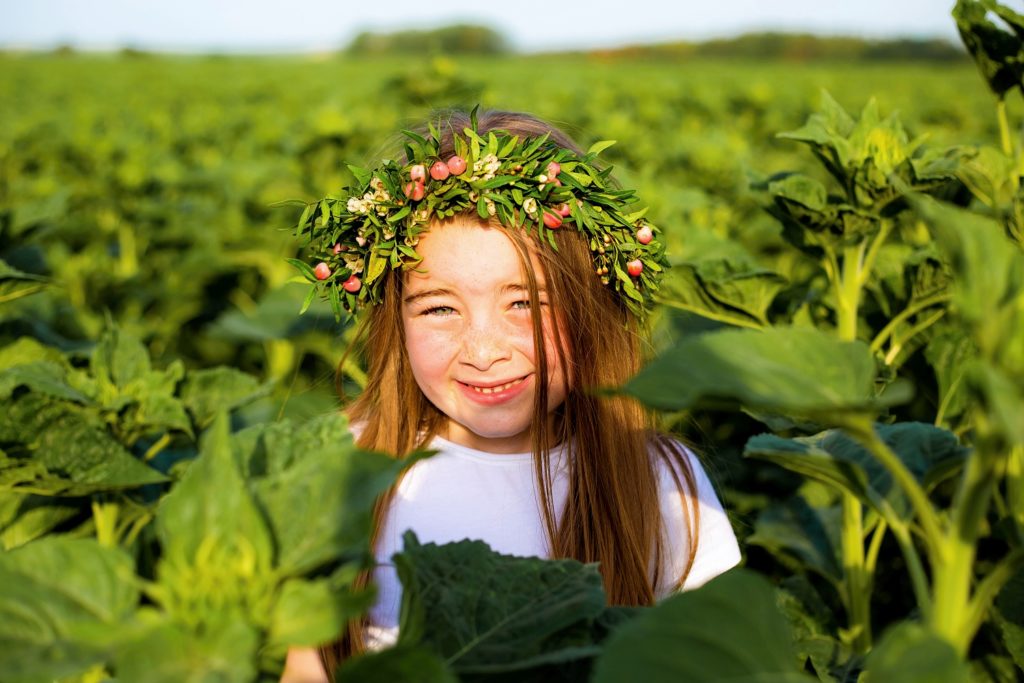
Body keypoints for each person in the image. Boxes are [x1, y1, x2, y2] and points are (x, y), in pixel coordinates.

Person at [280, 108, 741, 682]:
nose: (483, 349)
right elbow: (308, 670)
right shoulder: (348, 467)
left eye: (525, 303)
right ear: (393, 320)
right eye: (440, 308)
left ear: (591, 310)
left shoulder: (659, 481)